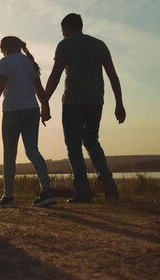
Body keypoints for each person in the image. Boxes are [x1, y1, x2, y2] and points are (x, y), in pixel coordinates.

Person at [45, 13, 126, 203]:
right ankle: (109, 186)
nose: (62, 33)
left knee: (73, 145)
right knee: (91, 140)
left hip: (73, 101)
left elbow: (55, 76)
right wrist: (119, 103)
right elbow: (112, 75)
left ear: (67, 27)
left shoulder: (65, 45)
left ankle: (83, 191)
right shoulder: (99, 44)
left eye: (63, 29)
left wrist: (44, 100)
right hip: (96, 100)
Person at [0, 36, 56, 208]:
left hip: (12, 111)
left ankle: (9, 196)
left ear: (4, 47)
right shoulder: (29, 63)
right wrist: (46, 108)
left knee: (9, 153)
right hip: (32, 110)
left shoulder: (5, 62)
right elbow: (39, 89)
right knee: (32, 150)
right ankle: (47, 190)